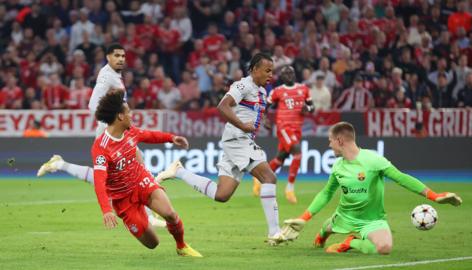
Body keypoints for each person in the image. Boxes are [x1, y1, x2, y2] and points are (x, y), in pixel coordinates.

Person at [156, 53, 284, 245]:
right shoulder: (243, 85)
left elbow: (252, 112)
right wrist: (242, 125)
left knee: (221, 195)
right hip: (238, 139)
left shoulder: (261, 92)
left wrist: (261, 122)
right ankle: (275, 233)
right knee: (269, 178)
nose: (270, 75)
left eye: (272, 71)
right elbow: (223, 106)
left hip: (238, 141)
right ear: (254, 69)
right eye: (267, 70)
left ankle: (179, 171)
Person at [280, 122, 462, 254]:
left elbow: (401, 178)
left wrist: (433, 195)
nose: (329, 145)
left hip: (372, 220)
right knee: (326, 231)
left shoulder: (373, 160)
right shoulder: (337, 166)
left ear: (340, 140)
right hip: (344, 217)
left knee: (384, 248)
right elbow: (327, 193)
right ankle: (323, 232)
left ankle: (350, 243)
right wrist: (304, 218)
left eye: (330, 141)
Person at [36, 44, 165, 227]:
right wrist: (111, 125)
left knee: (129, 166)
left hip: (117, 129)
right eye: (116, 55)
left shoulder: (114, 75)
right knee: (120, 171)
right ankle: (149, 214)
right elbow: (92, 105)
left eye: (123, 56)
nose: (120, 59)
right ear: (107, 57)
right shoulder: (106, 76)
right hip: (110, 131)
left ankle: (59, 164)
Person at [91, 90, 201, 257]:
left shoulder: (130, 132)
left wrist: (171, 138)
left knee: (170, 214)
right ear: (120, 116)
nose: (131, 115)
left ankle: (182, 246)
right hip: (122, 200)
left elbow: (148, 135)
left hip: (141, 181)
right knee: (153, 243)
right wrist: (106, 210)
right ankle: (141, 217)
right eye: (128, 112)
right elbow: (99, 181)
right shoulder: (101, 148)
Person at [252, 66, 314, 204]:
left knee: (281, 158)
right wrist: (264, 119)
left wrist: (307, 108)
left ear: (294, 74)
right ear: (282, 77)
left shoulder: (304, 89)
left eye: (291, 72)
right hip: (284, 127)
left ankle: (258, 178)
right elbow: (264, 107)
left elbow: (312, 106)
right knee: (298, 154)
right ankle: (290, 189)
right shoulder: (278, 91)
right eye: (285, 73)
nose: (289, 75)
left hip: (297, 128)